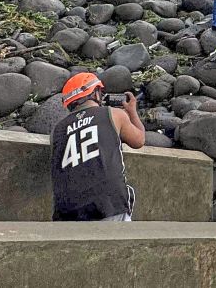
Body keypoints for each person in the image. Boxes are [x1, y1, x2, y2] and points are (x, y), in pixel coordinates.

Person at [49, 72, 145, 221]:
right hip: (109, 205)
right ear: (95, 93)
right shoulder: (114, 114)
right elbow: (139, 141)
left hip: (67, 213)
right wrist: (132, 112)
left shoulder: (58, 129)